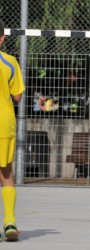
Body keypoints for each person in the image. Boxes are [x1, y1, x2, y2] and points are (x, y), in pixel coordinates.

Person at [0, 19, 25, 241]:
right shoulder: (9, 62)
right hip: (3, 123)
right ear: (3, 37)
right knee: (6, 173)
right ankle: (9, 222)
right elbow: (17, 96)